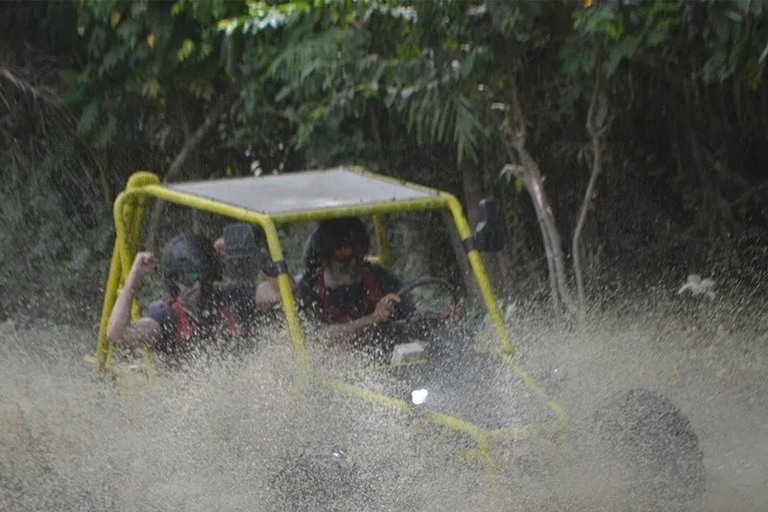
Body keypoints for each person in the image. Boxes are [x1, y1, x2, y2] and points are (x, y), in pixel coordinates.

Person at [106, 231, 277, 360]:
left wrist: (257, 255)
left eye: (202, 276)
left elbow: (280, 292)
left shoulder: (229, 296)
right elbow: (117, 333)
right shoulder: (166, 317)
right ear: (173, 279)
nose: (197, 285)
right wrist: (135, 273)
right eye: (190, 277)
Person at [294, 217, 414, 348]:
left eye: (359, 253)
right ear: (325, 260)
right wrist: (374, 318)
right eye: (344, 255)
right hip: (336, 363)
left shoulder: (379, 277)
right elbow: (320, 339)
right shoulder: (308, 291)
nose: (353, 263)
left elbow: (413, 317)